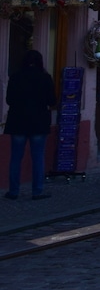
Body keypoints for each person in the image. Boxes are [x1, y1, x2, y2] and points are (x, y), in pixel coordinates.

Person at [4, 50, 54, 201]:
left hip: (18, 121)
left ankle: (13, 191)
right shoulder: (45, 78)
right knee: (38, 157)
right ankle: (37, 191)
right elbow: (52, 101)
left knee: (15, 158)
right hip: (38, 122)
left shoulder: (15, 77)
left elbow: (9, 100)